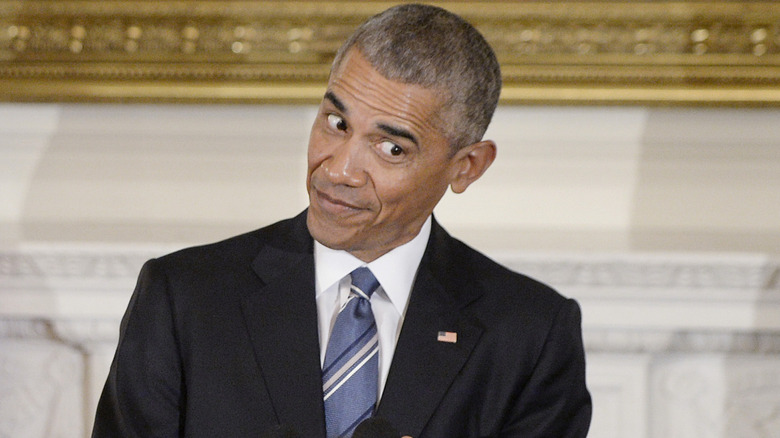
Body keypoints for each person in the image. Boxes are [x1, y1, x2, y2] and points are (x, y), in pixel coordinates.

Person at [92, 4, 591, 438]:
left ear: (467, 167)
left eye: (391, 147)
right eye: (337, 123)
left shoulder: (531, 335)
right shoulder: (185, 299)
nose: (338, 170)